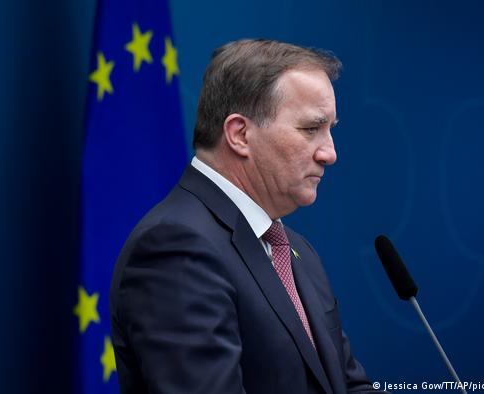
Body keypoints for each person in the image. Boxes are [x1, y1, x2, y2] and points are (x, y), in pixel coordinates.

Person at [109, 39, 386, 394]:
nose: (330, 153)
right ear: (240, 134)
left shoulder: (295, 251)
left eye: (331, 129)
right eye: (311, 129)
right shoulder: (176, 248)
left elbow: (347, 385)